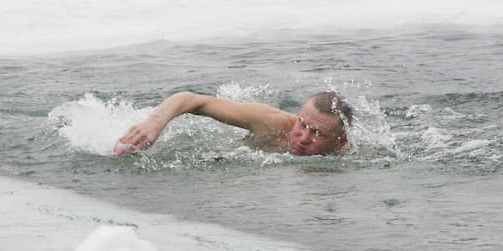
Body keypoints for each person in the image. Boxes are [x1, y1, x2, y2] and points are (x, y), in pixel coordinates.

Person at [114, 90, 353, 157]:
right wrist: (154, 123)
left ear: (339, 142)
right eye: (302, 124)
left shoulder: (350, 158)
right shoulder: (272, 122)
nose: (302, 137)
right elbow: (192, 99)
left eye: (317, 134)